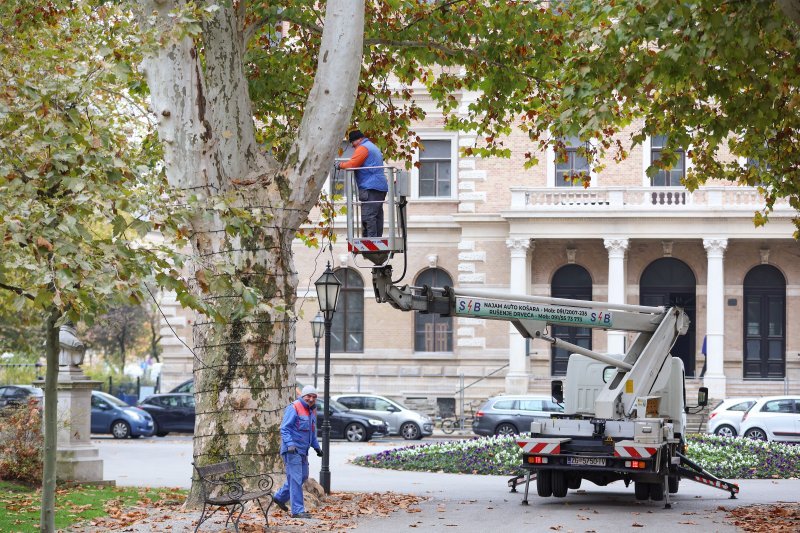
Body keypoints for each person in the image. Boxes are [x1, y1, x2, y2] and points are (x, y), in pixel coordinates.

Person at [273, 385, 323, 519]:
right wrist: (289, 444)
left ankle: (279, 497)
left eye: (314, 397)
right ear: (303, 396)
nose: (311, 399)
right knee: (295, 479)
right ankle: (297, 511)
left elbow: (312, 432)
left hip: (302, 450)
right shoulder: (294, 407)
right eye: (308, 396)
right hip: (292, 450)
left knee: (302, 476)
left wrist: (317, 447)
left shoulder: (311, 411)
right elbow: (284, 428)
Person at [336, 130, 388, 238]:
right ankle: (377, 240)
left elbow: (352, 164)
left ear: (358, 140)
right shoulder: (372, 146)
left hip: (370, 186)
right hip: (379, 186)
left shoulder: (363, 148)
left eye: (352, 143)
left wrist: (339, 165)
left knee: (368, 216)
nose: (353, 146)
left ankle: (371, 242)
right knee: (376, 215)